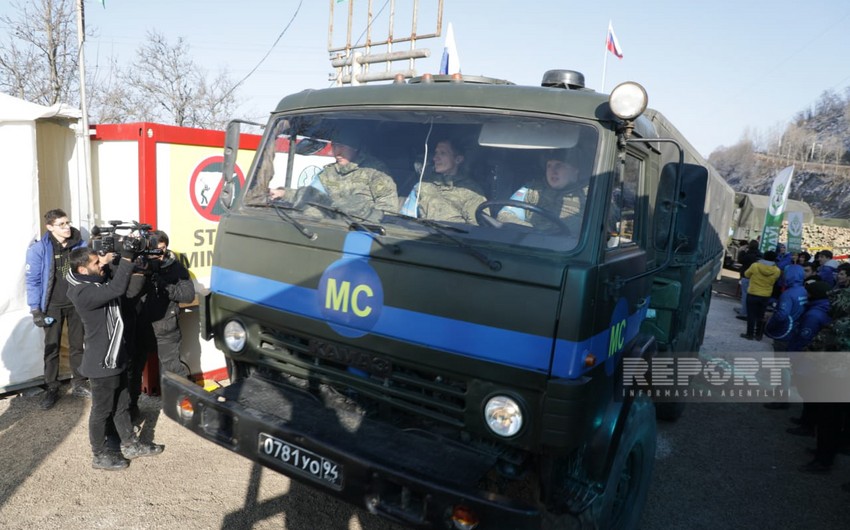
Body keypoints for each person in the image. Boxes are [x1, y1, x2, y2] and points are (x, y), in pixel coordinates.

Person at [66, 246, 164, 470]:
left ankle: (130, 444)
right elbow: (118, 288)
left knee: (122, 406)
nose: (101, 264)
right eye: (95, 263)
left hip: (116, 357)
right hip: (101, 363)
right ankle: (99, 455)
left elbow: (124, 294)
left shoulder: (95, 283)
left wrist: (135, 269)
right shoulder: (82, 291)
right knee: (101, 411)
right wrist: (127, 257)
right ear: (82, 268)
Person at [25, 209, 90, 409]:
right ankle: (52, 387)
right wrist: (35, 309)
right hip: (52, 305)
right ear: (50, 227)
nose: (67, 227)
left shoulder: (80, 244)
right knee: (51, 348)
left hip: (75, 303)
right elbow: (33, 280)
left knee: (77, 345)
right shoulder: (39, 249)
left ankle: (79, 383)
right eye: (61, 224)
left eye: (67, 222)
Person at [276, 130, 398, 221]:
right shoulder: (328, 173)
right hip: (328, 230)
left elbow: (387, 214)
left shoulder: (375, 172)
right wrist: (283, 193)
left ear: (355, 148)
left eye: (342, 146)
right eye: (334, 146)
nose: (337, 152)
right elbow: (311, 195)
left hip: (360, 235)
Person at [137, 231, 196, 389]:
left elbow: (188, 295)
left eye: (162, 248)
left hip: (166, 327)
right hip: (141, 325)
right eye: (154, 250)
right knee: (134, 369)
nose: (159, 254)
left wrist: (165, 286)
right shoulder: (139, 266)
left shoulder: (176, 268)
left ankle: (184, 405)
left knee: (173, 369)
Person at [497, 150, 588, 234]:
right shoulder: (533, 189)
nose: (553, 171)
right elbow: (504, 216)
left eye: (559, 165)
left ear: (575, 170)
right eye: (549, 165)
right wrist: (535, 234)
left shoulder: (589, 197)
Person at [400, 138, 486, 223]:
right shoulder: (422, 186)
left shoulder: (472, 192)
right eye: (436, 153)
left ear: (458, 159)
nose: (435, 158)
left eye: (442, 153)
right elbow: (405, 220)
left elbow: (477, 230)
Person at [741, 250, 780, 341]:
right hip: (765, 295)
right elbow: (775, 280)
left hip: (753, 293)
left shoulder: (755, 266)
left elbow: (746, 274)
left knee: (751, 316)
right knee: (761, 315)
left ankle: (749, 334)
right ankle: (759, 335)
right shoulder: (777, 270)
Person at [735, 240, 762, 321]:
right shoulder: (760, 255)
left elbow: (740, 260)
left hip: (746, 277)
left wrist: (742, 251)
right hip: (756, 278)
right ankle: (750, 313)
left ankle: (743, 312)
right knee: (753, 297)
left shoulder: (748, 255)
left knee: (745, 295)